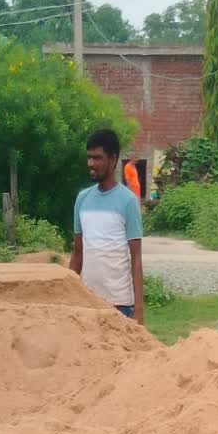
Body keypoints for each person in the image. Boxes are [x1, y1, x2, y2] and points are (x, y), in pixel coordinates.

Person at [70, 129, 145, 324]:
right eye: (89, 158)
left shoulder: (128, 201)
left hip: (120, 305)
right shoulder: (82, 199)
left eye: (97, 158)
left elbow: (136, 259)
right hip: (87, 302)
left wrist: (139, 310)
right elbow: (77, 253)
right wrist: (68, 297)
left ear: (113, 160)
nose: (91, 164)